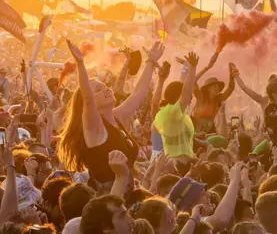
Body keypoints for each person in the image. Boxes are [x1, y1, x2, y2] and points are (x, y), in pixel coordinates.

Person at [58, 41, 164, 188]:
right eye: (98, 90)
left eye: (105, 86)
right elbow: (88, 99)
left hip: (127, 190)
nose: (106, 89)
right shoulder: (93, 127)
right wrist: (80, 64)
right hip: (107, 198)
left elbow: (139, 92)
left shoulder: (117, 117)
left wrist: (151, 61)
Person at [190, 54, 235, 135]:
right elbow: (193, 80)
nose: (216, 88)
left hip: (210, 131)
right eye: (213, 86)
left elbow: (230, 88)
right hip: (195, 131)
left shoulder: (218, 99)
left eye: (217, 87)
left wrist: (232, 75)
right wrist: (207, 67)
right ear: (207, 88)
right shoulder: (200, 96)